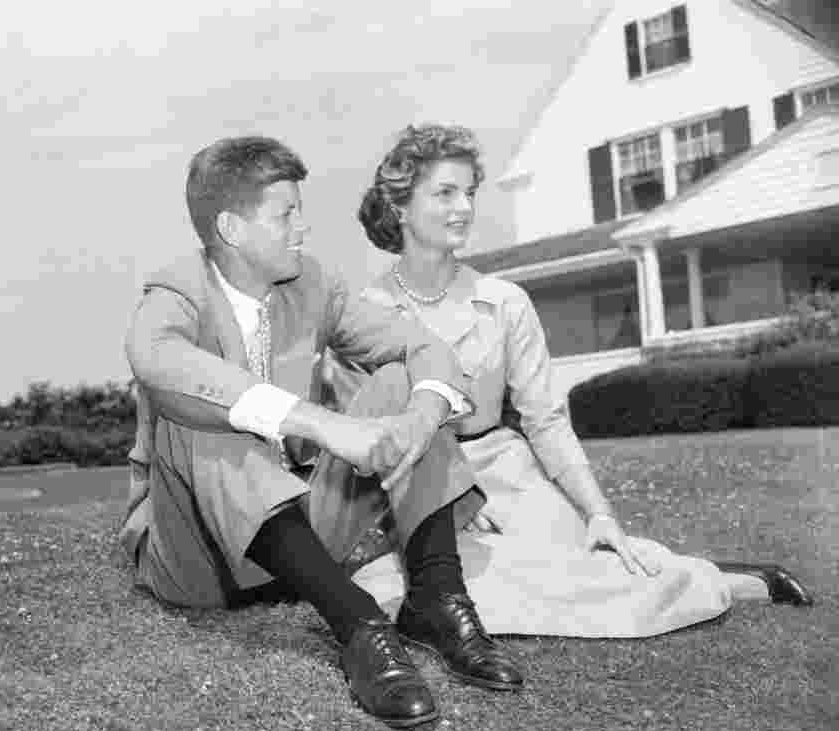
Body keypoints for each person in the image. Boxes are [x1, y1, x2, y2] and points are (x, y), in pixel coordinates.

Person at [340, 123, 812, 637]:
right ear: (401, 207)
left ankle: (715, 578)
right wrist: (446, 490)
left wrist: (599, 512)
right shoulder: (368, 311)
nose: (464, 208)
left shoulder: (504, 301)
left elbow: (545, 420)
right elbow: (370, 425)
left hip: (506, 474)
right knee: (408, 592)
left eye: (470, 193)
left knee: (575, 571)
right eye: (445, 193)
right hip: (414, 482)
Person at [121, 135, 524, 730]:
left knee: (404, 384)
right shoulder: (177, 291)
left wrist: (418, 415)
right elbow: (155, 359)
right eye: (286, 215)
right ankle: (359, 623)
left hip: (298, 542)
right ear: (232, 227)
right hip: (199, 558)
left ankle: (435, 600)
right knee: (194, 413)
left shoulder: (311, 284)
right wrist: (323, 424)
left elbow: (421, 346)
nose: (302, 228)